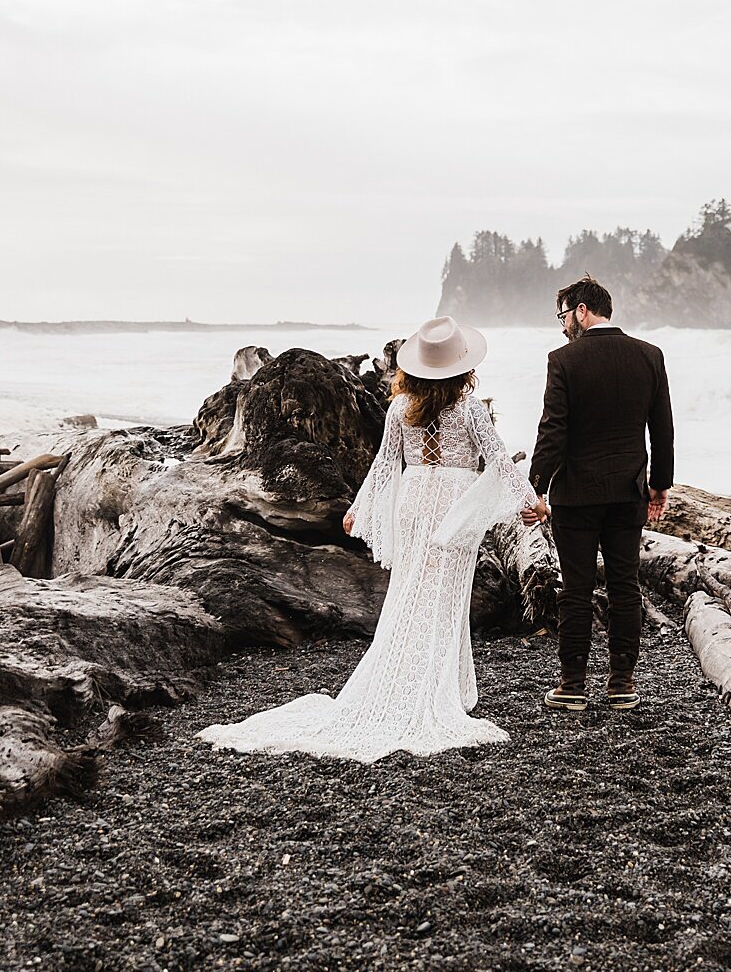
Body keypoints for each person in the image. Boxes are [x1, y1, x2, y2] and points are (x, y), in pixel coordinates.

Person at [198, 316, 539, 762]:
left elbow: (383, 466)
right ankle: (436, 693)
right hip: (455, 505)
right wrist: (529, 501)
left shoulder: (399, 408)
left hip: (415, 501)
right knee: (444, 595)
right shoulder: (470, 409)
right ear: (461, 367)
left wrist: (358, 510)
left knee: (411, 591)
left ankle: (441, 685)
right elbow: (496, 458)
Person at [524, 275, 674, 712]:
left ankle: (572, 686)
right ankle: (622, 684)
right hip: (628, 491)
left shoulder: (564, 360)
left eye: (564, 315)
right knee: (626, 584)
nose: (563, 324)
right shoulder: (649, 356)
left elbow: (553, 431)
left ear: (582, 311)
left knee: (576, 587)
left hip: (576, 494)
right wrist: (659, 484)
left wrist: (534, 488)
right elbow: (661, 428)